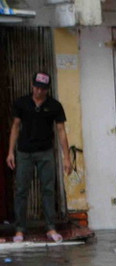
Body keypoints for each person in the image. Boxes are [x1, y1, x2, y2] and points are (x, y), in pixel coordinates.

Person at [6, 71, 73, 243]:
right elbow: (15, 127)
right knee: (21, 190)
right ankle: (19, 229)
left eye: (42, 89)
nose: (38, 91)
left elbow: (61, 131)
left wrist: (66, 158)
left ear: (47, 89)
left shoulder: (54, 106)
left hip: (45, 152)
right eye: (36, 87)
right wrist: (10, 152)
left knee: (48, 190)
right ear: (32, 85)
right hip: (24, 152)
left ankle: (50, 227)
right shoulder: (22, 103)